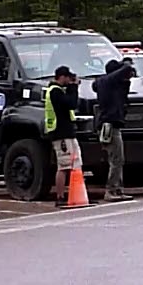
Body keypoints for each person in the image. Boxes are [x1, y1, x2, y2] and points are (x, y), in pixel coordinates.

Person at [93, 58, 137, 202]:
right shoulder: (107, 82)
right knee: (117, 159)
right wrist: (127, 64)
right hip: (110, 125)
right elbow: (123, 70)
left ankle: (117, 189)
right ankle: (111, 189)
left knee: (117, 159)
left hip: (111, 125)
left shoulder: (110, 86)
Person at [44, 66, 81, 207]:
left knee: (74, 164)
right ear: (62, 77)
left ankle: (76, 194)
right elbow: (71, 104)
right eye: (68, 78)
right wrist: (74, 88)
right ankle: (60, 196)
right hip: (60, 133)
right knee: (64, 166)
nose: (69, 81)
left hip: (67, 132)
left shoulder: (58, 91)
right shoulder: (55, 92)